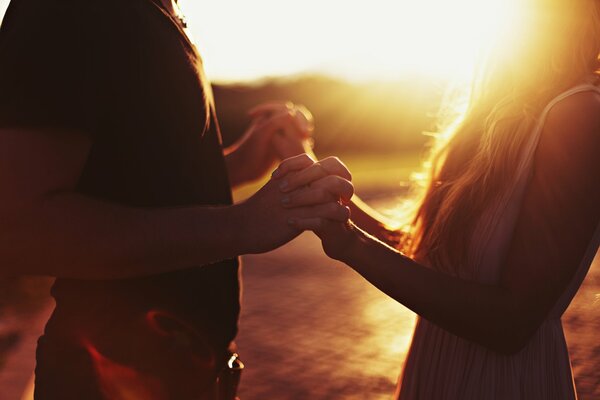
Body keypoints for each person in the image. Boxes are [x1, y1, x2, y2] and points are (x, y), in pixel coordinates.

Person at [0, 0, 363, 398]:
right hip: (114, 380)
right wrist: (241, 224)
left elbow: (135, 184)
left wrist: (241, 163)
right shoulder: (71, 9)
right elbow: (21, 228)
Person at [273, 0, 600, 398]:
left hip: (503, 386)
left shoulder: (579, 114)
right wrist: (322, 185)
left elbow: (511, 323)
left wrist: (350, 245)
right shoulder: (495, 113)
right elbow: (425, 252)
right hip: (433, 374)